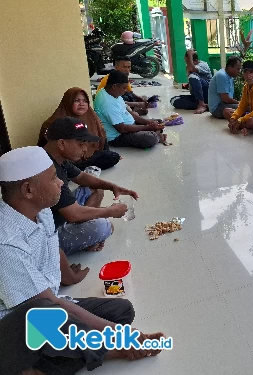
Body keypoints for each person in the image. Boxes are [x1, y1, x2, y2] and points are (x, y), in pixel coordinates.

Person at [0, 146, 164, 375]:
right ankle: (108, 351)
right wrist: (119, 335)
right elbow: (47, 304)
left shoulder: (41, 210)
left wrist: (71, 277)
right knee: (49, 313)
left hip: (47, 310)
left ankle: (46, 367)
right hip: (12, 332)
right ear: (28, 189)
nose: (60, 182)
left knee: (122, 311)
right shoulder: (5, 243)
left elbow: (52, 248)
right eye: (53, 178)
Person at [43, 117, 138, 256]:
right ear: (62, 143)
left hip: (61, 214)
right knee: (105, 227)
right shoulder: (48, 170)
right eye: (81, 144)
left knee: (96, 189)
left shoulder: (57, 157)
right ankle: (81, 236)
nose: (85, 148)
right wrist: (110, 211)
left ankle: (83, 228)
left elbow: (81, 177)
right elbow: (73, 214)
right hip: (47, 235)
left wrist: (113, 186)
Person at [37, 87, 120, 170]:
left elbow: (102, 136)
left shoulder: (92, 117)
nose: (82, 103)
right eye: (77, 100)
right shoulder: (55, 122)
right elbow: (48, 149)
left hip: (89, 155)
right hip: (67, 160)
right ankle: (72, 169)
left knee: (113, 156)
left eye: (85, 101)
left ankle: (76, 169)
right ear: (68, 102)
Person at [94, 70, 168, 149]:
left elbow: (129, 112)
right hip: (118, 136)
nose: (126, 90)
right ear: (114, 86)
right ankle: (157, 137)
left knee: (159, 122)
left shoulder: (112, 92)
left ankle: (154, 133)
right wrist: (147, 127)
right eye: (124, 88)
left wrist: (148, 122)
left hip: (130, 125)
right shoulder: (106, 103)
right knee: (150, 139)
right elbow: (122, 129)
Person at [208, 55, 242, 119]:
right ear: (230, 67)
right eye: (238, 69)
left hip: (223, 105)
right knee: (245, 108)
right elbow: (226, 99)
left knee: (245, 107)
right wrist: (241, 103)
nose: (239, 71)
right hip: (217, 108)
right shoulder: (222, 76)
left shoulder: (228, 76)